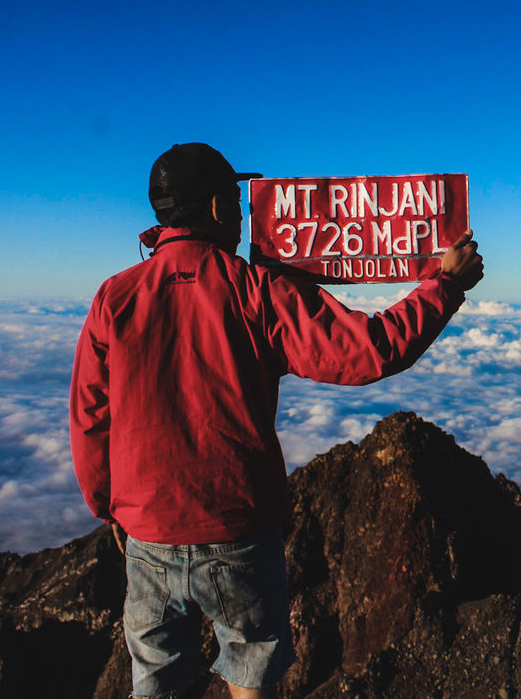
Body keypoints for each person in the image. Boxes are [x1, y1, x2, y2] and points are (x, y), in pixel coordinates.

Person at [70, 143, 483, 699]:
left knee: (156, 684)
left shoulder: (113, 298)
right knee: (253, 675)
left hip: (146, 529)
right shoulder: (256, 290)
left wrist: (107, 506)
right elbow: (368, 351)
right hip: (238, 528)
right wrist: (445, 285)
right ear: (217, 208)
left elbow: (90, 416)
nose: (242, 214)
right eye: (236, 201)